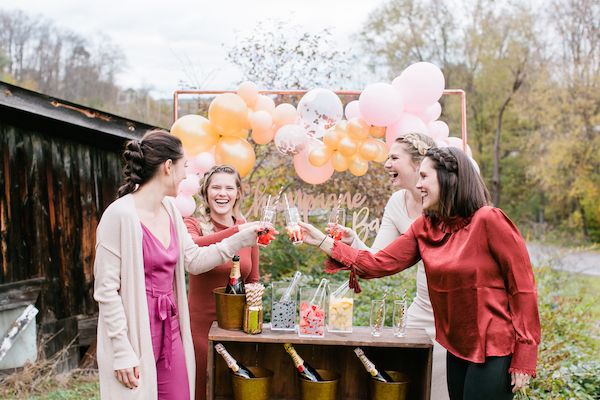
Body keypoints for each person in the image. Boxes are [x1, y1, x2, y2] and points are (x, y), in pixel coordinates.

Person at [300, 146, 540, 399]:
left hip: (494, 347)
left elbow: (522, 288)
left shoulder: (489, 220)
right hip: (456, 348)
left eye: (425, 176)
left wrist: (525, 355)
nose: (419, 184)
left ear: (450, 178)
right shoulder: (425, 227)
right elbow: (377, 263)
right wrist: (322, 241)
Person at [93, 130, 266, 400]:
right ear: (168, 166)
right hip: (136, 330)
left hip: (171, 328)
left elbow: (194, 261)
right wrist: (121, 349)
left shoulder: (171, 211)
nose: (187, 175)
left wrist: (239, 239)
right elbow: (106, 291)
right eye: (184, 166)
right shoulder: (119, 215)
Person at [335, 132, 449, 399]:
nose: (386, 164)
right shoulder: (397, 202)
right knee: (403, 381)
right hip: (421, 309)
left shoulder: (447, 202)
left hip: (451, 313)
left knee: (441, 390)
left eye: (394, 158)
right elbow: (380, 258)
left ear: (419, 164)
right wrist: (354, 242)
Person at [183, 165, 260, 400]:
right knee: (202, 388)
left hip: (236, 329)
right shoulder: (191, 224)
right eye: (215, 187)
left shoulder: (248, 230)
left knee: (233, 387)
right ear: (206, 193)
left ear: (238, 192)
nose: (222, 193)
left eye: (229, 187)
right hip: (199, 328)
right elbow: (195, 249)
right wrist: (238, 232)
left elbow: (253, 280)